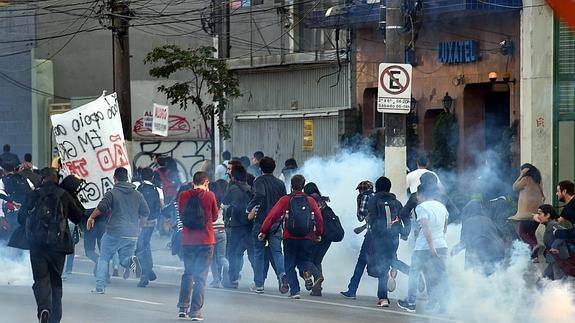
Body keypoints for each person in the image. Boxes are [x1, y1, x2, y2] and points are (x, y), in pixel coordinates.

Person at [17, 167, 83, 323]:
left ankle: (44, 308)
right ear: (56, 179)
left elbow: (21, 218)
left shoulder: (34, 194)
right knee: (55, 280)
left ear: (42, 178)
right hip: (58, 246)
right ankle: (55, 318)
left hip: (37, 245)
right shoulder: (64, 194)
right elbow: (78, 216)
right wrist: (73, 195)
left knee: (40, 279)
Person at [258, 175, 324, 299]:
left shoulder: (285, 200)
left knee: (289, 264)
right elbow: (319, 218)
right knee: (304, 260)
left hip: (290, 237)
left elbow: (272, 216)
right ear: (303, 186)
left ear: (291, 186)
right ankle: (314, 273)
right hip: (307, 237)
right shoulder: (310, 200)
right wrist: (318, 234)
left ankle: (295, 291)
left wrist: (263, 231)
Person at [87, 167, 149, 294]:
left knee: (104, 257)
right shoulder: (138, 194)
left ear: (115, 179)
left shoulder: (112, 193)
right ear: (127, 178)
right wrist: (140, 226)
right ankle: (131, 261)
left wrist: (92, 217)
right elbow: (146, 212)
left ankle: (100, 287)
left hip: (114, 231)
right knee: (124, 258)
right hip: (132, 233)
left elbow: (102, 207)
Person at [398, 182, 449, 313]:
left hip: (423, 248)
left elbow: (425, 228)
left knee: (414, 274)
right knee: (439, 276)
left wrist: (431, 246)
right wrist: (439, 239)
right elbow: (445, 225)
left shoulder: (421, 207)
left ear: (420, 194)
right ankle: (443, 306)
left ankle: (411, 302)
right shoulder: (442, 206)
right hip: (442, 245)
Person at [177, 171, 219, 321]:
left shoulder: (183, 195)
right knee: (200, 277)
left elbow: (181, 214)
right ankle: (195, 312)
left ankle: (182, 308)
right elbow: (214, 217)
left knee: (188, 273)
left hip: (188, 241)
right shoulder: (210, 196)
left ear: (192, 181)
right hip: (206, 240)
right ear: (206, 182)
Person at [246, 157, 288, 294]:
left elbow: (260, 195)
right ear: (274, 167)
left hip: (260, 222)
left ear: (260, 168)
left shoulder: (258, 181)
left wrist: (249, 207)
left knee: (258, 253)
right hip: (276, 223)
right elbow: (284, 201)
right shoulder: (280, 183)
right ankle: (282, 275)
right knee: (277, 252)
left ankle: (259, 284)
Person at [366, 177, 406, 307]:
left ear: (377, 187)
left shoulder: (374, 200)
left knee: (382, 266)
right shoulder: (396, 202)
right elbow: (404, 217)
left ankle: (383, 298)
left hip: (379, 238)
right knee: (390, 261)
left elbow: (371, 218)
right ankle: (413, 273)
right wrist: (404, 233)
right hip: (394, 238)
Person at [340, 180, 375, 299]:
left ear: (362, 190)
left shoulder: (364, 197)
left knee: (361, 262)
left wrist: (357, 203)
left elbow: (361, 216)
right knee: (387, 260)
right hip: (382, 234)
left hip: (371, 235)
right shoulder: (376, 197)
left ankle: (352, 290)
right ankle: (410, 271)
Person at [222, 165, 254, 288]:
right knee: (251, 253)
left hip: (236, 225)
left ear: (234, 177)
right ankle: (259, 279)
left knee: (233, 252)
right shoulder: (250, 188)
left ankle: (233, 278)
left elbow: (225, 201)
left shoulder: (233, 188)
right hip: (249, 225)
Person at [133, 167, 165, 287]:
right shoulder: (157, 189)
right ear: (152, 177)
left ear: (141, 176)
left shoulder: (135, 185)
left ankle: (144, 274)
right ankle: (149, 269)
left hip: (138, 221)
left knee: (139, 248)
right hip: (152, 222)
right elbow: (162, 206)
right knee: (146, 245)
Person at [302, 182, 332, 296]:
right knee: (317, 260)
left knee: (306, 259)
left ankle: (317, 276)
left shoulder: (309, 201)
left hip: (316, 235)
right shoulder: (323, 201)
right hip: (327, 236)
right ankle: (317, 289)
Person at [509, 163, 545, 250]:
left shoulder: (526, 179)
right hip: (537, 213)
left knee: (522, 233)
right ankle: (535, 256)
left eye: (522, 170)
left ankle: (534, 246)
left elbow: (514, 187)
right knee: (531, 233)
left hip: (526, 214)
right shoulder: (538, 180)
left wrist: (521, 175)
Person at [400, 156, 440, 224]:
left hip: (415, 200)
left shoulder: (411, 175)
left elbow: (403, 189)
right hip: (431, 199)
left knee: (419, 220)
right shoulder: (432, 174)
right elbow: (440, 188)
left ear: (417, 163)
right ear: (427, 164)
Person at [535, 204, 569, 280]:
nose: (538, 216)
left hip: (559, 261)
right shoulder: (549, 226)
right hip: (554, 261)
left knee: (559, 284)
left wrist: (554, 246)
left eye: (540, 214)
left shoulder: (553, 225)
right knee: (542, 282)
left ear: (547, 215)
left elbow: (564, 233)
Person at [0, 162, 34, 237]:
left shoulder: (3, 180)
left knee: (11, 235)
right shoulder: (24, 178)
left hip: (11, 212)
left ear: (4, 171)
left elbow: (2, 195)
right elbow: (33, 189)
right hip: (26, 211)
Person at [208, 179, 229, 288]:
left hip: (211, 230)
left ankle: (216, 280)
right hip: (222, 230)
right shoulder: (221, 202)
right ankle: (227, 267)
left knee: (212, 258)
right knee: (222, 257)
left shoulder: (208, 200)